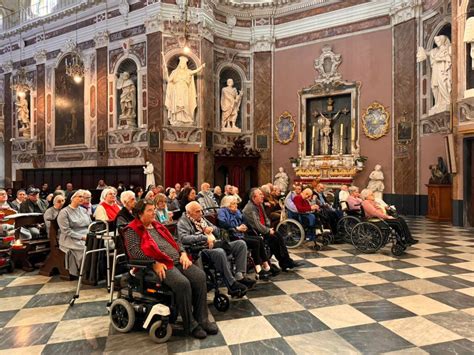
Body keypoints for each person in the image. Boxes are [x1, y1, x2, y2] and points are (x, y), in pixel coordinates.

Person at [124, 199, 218, 339]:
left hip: (176, 260)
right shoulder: (132, 229)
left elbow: (176, 241)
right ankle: (190, 324)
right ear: (139, 214)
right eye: (150, 210)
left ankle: (202, 319)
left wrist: (183, 253)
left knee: (199, 276)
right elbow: (134, 253)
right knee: (183, 283)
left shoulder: (157, 225)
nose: (154, 212)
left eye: (154, 209)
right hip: (156, 265)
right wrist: (154, 262)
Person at [177, 201, 254, 294]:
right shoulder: (183, 222)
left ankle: (239, 276)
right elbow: (183, 238)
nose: (201, 213)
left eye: (201, 211)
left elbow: (217, 230)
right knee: (220, 252)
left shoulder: (202, 219)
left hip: (214, 243)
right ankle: (231, 283)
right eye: (197, 211)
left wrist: (212, 229)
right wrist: (204, 237)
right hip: (201, 249)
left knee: (241, 244)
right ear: (189, 213)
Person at [242, 188, 302, 271]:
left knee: (278, 236)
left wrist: (268, 227)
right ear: (253, 197)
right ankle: (284, 262)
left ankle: (286, 261)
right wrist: (267, 230)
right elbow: (257, 225)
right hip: (254, 233)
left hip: (263, 230)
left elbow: (266, 218)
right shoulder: (250, 208)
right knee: (274, 239)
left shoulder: (260, 204)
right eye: (260, 194)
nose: (263, 196)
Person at [218, 196, 273, 280]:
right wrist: (236, 228)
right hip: (231, 236)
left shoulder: (237, 211)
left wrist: (244, 225)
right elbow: (222, 223)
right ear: (227, 205)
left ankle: (266, 265)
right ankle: (258, 269)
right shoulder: (222, 211)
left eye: (236, 203)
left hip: (241, 234)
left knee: (258, 239)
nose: (236, 205)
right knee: (255, 242)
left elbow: (244, 220)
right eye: (234, 203)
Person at [57, 190, 92, 277]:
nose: (82, 198)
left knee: (98, 245)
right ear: (72, 198)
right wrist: (82, 237)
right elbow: (66, 231)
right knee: (85, 248)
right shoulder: (64, 212)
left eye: (83, 197)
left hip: (87, 235)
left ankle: (95, 272)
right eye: (79, 196)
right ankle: (85, 273)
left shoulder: (84, 210)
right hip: (70, 238)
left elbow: (90, 224)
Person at [164, 55, 205, 126]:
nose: (182, 64)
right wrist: (165, 71)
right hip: (176, 90)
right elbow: (169, 80)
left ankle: (186, 118)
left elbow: (195, 71)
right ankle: (176, 119)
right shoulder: (174, 72)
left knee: (185, 104)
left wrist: (201, 67)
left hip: (185, 90)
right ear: (180, 64)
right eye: (181, 63)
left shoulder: (188, 71)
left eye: (184, 63)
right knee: (177, 104)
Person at [417, 35, 451, 114]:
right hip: (435, 70)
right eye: (436, 42)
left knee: (443, 84)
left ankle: (447, 101)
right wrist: (421, 50)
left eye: (438, 41)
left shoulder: (448, 48)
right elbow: (427, 53)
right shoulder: (435, 50)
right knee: (434, 86)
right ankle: (438, 103)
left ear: (442, 41)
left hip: (443, 70)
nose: (437, 43)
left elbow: (449, 58)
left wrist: (439, 58)